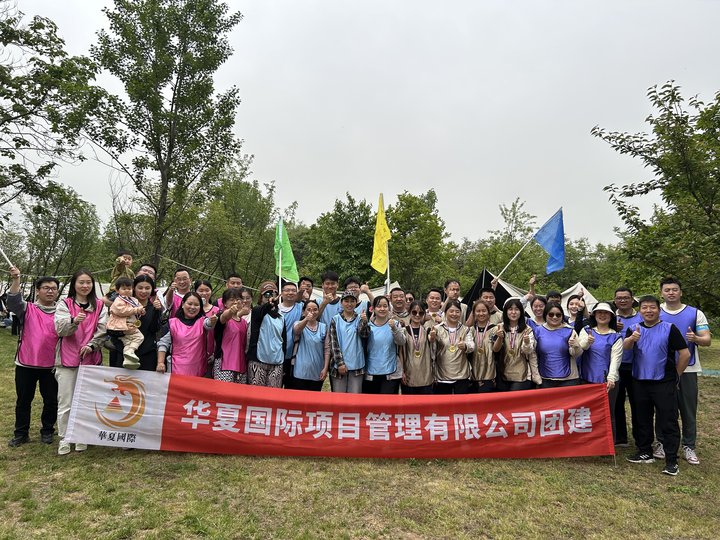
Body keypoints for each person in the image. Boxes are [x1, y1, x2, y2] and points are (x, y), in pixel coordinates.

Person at [624, 295, 690, 476]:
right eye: (644, 307)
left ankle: (671, 460)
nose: (648, 311)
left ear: (659, 310)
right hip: (640, 381)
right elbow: (626, 347)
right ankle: (645, 451)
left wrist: (676, 375)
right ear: (640, 311)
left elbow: (685, 354)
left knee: (668, 420)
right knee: (641, 418)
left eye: (652, 307)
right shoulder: (633, 328)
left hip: (663, 381)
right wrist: (632, 339)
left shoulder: (669, 328)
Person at [656, 277, 711, 466]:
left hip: (689, 368)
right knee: (662, 408)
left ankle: (689, 445)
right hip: (661, 368)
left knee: (688, 409)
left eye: (674, 289)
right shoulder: (655, 311)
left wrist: (696, 338)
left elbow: (707, 339)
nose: (671, 293)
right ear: (661, 293)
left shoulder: (695, 313)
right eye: (667, 290)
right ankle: (661, 442)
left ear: (681, 292)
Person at [54, 269, 107, 455]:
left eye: (88, 282)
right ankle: (64, 437)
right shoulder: (65, 304)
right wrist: (74, 321)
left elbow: (103, 330)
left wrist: (92, 345)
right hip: (67, 360)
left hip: (91, 359)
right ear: (74, 284)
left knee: (87, 401)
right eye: (81, 282)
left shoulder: (100, 306)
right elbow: (60, 330)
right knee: (66, 401)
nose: (85, 286)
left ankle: (82, 436)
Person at [6, 267, 59, 448]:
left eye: (53, 288)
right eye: (46, 288)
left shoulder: (63, 312)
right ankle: (21, 433)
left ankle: (47, 431)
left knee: (51, 400)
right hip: (26, 363)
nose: (50, 291)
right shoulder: (27, 308)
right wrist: (16, 279)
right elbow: (13, 300)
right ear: (38, 290)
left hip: (52, 365)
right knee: (23, 401)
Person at [580, 302, 623, 441]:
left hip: (607, 381)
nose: (602, 315)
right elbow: (579, 350)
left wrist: (611, 378)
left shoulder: (616, 336)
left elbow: (616, 359)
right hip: (586, 378)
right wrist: (587, 342)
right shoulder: (586, 331)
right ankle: (588, 442)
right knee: (586, 412)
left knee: (607, 413)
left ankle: (609, 443)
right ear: (594, 315)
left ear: (611, 316)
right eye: (599, 312)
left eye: (605, 313)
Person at [156, 292, 216, 377]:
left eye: (196, 305)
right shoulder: (172, 323)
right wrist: (160, 363)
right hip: (175, 370)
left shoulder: (203, 321)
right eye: (190, 304)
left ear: (200, 307)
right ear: (183, 304)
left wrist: (212, 321)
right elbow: (163, 344)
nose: (192, 307)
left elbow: (208, 324)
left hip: (199, 371)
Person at [613, 287, 642, 447]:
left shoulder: (641, 316)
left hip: (636, 366)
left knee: (638, 403)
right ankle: (620, 437)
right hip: (616, 366)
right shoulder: (610, 316)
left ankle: (640, 437)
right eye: (619, 298)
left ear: (632, 299)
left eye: (626, 297)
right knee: (617, 402)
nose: (622, 300)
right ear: (615, 300)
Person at [533, 302, 587, 388]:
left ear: (562, 316)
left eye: (558, 315)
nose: (554, 317)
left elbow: (577, 354)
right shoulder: (537, 331)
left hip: (569, 379)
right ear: (545, 315)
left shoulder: (570, 331)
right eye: (551, 314)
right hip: (544, 379)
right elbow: (532, 354)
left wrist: (575, 345)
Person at [492, 298, 541, 391]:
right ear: (506, 312)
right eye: (510, 309)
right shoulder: (499, 327)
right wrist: (499, 338)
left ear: (521, 312)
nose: (513, 312)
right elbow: (495, 349)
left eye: (516, 309)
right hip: (502, 372)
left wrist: (526, 342)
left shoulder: (527, 329)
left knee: (515, 396)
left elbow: (528, 351)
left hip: (522, 373)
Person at [325, 291, 369, 393]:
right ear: (341, 303)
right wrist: (340, 363)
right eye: (346, 301)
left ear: (356, 303)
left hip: (357, 364)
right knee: (339, 397)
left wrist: (364, 322)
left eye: (352, 301)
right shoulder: (335, 319)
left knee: (355, 397)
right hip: (338, 365)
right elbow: (334, 343)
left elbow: (364, 335)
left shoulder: (360, 318)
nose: (349, 304)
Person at [246, 281, 286, 388]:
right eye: (267, 294)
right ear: (261, 297)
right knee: (256, 395)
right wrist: (269, 304)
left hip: (277, 362)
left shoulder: (281, 316)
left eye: (273, 294)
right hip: (258, 361)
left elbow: (283, 341)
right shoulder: (257, 312)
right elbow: (261, 310)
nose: (271, 297)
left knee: (273, 395)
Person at [364, 296, 406, 394]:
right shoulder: (368, 326)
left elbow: (402, 342)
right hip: (371, 371)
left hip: (391, 372)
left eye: (385, 306)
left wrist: (394, 329)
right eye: (379, 306)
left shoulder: (395, 324)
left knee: (388, 401)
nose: (382, 309)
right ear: (373, 308)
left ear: (389, 308)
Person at [432, 300, 475, 394]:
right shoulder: (437, 329)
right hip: (442, 375)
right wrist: (431, 338)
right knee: (444, 403)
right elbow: (433, 351)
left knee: (461, 403)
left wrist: (465, 346)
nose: (454, 314)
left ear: (461, 313)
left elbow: (472, 345)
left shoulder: (465, 329)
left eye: (457, 311)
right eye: (451, 311)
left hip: (461, 375)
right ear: (445, 312)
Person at [106, 277, 146, 369]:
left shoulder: (133, 300)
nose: (127, 290)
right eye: (124, 289)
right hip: (120, 325)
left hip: (130, 324)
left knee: (128, 342)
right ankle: (130, 351)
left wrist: (142, 311)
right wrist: (136, 310)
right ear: (117, 290)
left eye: (129, 288)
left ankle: (128, 359)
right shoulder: (118, 300)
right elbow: (122, 311)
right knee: (139, 337)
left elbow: (139, 307)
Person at [212, 288, 251, 383]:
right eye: (231, 300)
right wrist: (231, 311)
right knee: (223, 392)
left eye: (238, 299)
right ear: (225, 303)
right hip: (224, 365)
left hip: (241, 366)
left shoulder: (244, 322)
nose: (235, 302)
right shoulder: (221, 317)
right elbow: (224, 317)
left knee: (239, 392)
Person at [291, 300, 327, 391]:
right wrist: (306, 319)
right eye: (309, 309)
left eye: (315, 309)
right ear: (303, 312)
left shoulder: (323, 327)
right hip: (300, 371)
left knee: (314, 397)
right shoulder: (297, 323)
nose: (312, 312)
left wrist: (325, 368)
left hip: (317, 370)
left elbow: (327, 349)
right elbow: (297, 331)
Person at [400, 301, 434, 395]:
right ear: (409, 312)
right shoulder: (404, 331)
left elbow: (432, 341)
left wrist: (432, 337)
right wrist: (402, 372)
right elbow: (401, 353)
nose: (417, 315)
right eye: (414, 312)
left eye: (421, 313)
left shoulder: (427, 330)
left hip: (425, 375)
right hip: (409, 375)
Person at [467, 300, 497, 393]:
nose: (481, 313)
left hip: (489, 374)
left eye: (484, 311)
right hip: (472, 375)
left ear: (488, 312)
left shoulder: (495, 329)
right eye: (478, 311)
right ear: (474, 313)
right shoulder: (470, 330)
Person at [278, 281, 303, 388]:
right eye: (287, 290)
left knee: (291, 387)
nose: (290, 293)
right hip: (277, 354)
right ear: (281, 292)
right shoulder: (275, 309)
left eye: (293, 290)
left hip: (294, 356)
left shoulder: (301, 307)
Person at [195, 279, 220, 376]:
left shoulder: (217, 310)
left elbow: (220, 334)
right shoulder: (192, 310)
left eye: (207, 290)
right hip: (194, 353)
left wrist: (215, 353)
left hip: (211, 354)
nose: (204, 293)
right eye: (200, 290)